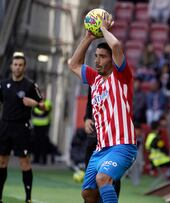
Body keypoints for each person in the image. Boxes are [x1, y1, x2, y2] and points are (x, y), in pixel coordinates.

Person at [68, 13, 137, 203]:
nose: (97, 61)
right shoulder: (93, 79)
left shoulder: (121, 76)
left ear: (112, 60)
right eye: (96, 57)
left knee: (103, 179)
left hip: (122, 145)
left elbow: (115, 46)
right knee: (88, 194)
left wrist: (104, 29)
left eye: (102, 57)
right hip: (100, 148)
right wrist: (89, 37)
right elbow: (73, 64)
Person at [0, 54, 43, 203]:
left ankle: (28, 198)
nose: (17, 67)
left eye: (20, 65)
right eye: (15, 64)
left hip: (21, 128)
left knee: (24, 162)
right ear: (11, 66)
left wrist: (35, 104)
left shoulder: (30, 85)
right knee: (2, 161)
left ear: (24, 67)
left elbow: (43, 106)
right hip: (5, 126)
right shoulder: (3, 84)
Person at [83, 87, 121, 197]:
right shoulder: (94, 81)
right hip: (95, 140)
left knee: (111, 178)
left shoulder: (119, 80)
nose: (97, 68)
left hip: (113, 141)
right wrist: (86, 118)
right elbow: (90, 103)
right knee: (89, 185)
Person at [31, 91, 52, 165]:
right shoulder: (35, 103)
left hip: (44, 126)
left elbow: (45, 112)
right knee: (35, 142)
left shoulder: (48, 103)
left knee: (43, 143)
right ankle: (36, 159)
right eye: (41, 95)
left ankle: (43, 160)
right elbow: (34, 112)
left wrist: (39, 112)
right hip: (36, 125)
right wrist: (41, 111)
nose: (42, 96)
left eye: (43, 94)